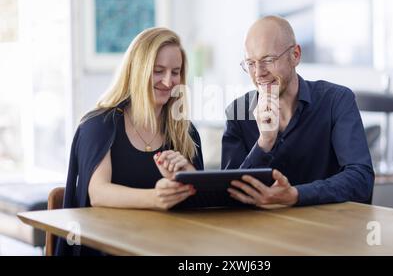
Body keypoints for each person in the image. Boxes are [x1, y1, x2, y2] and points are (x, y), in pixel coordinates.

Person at [56, 27, 203, 255]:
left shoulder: (186, 131)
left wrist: (185, 175)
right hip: (106, 247)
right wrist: (156, 197)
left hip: (167, 246)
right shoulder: (99, 126)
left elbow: (201, 204)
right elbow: (98, 193)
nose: (168, 81)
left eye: (176, 72)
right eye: (158, 71)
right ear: (137, 71)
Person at [222, 15, 374, 208]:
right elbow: (228, 197)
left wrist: (297, 195)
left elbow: (361, 180)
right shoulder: (237, 112)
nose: (258, 73)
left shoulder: (336, 101)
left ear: (295, 55)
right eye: (250, 63)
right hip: (262, 231)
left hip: (328, 229)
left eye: (268, 60)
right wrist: (264, 143)